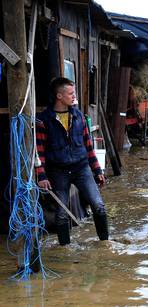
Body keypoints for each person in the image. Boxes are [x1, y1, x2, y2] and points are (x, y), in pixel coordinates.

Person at [36, 77, 109, 245]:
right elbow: (39, 152)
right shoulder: (43, 121)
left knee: (98, 206)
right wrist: (41, 176)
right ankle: (65, 250)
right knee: (61, 214)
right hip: (58, 171)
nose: (74, 96)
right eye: (71, 93)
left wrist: (98, 171)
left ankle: (105, 244)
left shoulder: (80, 117)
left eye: (74, 92)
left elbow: (89, 147)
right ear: (59, 96)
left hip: (82, 168)